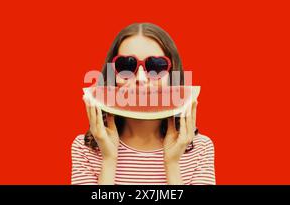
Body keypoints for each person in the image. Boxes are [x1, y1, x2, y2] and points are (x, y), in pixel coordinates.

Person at [72, 23, 215, 185]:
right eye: (126, 66)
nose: (140, 78)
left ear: (172, 75)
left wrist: (172, 164)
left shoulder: (202, 148)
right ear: (111, 74)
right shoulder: (84, 148)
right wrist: (109, 159)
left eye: (156, 66)